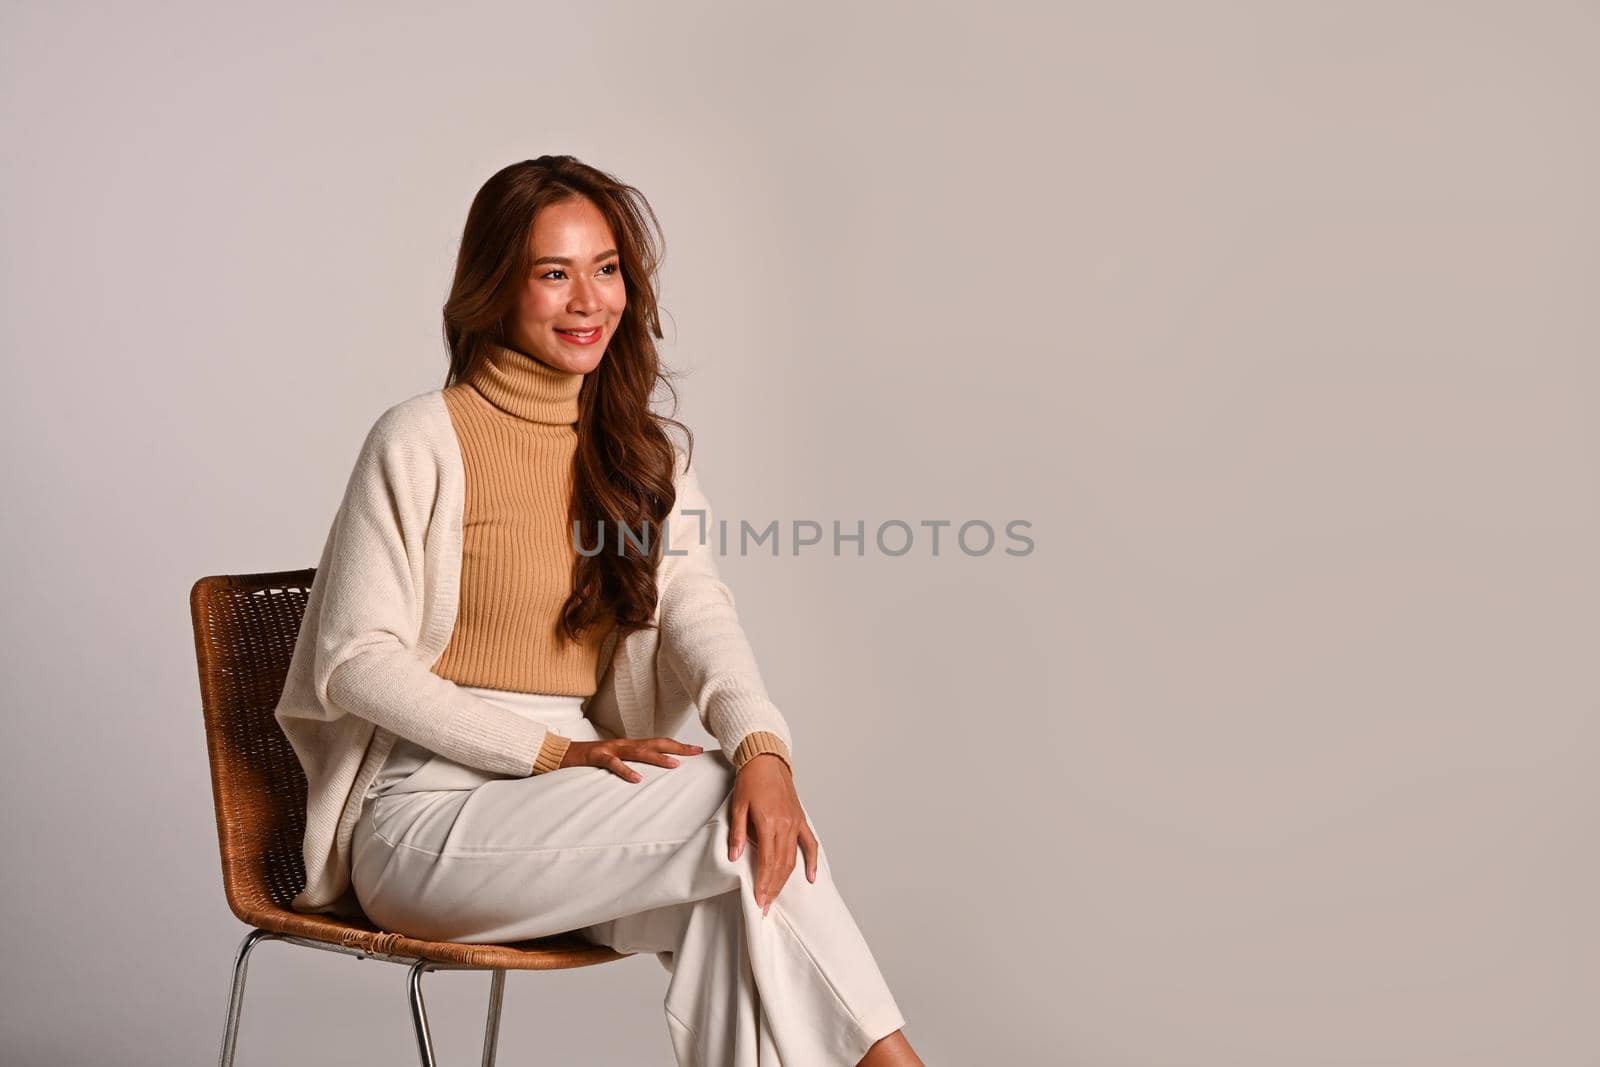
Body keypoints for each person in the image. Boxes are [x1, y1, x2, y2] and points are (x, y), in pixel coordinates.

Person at [272, 155, 925, 1067]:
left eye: (607, 268)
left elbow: (698, 610)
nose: (590, 300)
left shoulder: (638, 453)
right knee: (719, 808)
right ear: (496, 287)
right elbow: (354, 659)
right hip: (426, 815)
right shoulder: (421, 436)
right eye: (554, 272)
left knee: (745, 891)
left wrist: (763, 748)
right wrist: (555, 752)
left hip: (579, 808)